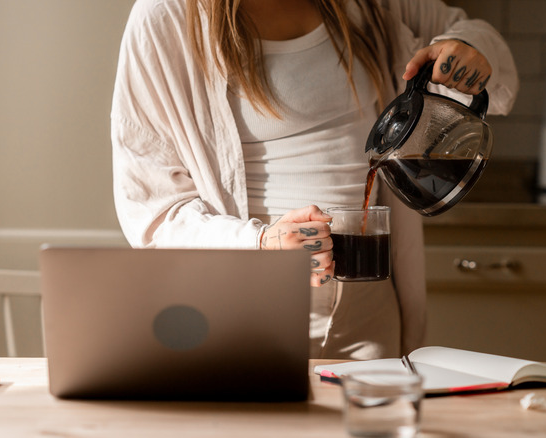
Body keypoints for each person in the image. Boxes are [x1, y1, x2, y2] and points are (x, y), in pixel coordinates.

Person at [111, 0, 518, 359]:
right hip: (246, 310)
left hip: (368, 307)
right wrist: (263, 242)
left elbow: (474, 35)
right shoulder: (165, 18)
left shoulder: (379, 6)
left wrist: (471, 47)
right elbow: (153, 212)